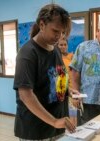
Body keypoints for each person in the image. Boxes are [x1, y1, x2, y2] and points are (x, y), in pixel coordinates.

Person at [13, 4, 76, 140]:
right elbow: (25, 95)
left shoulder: (55, 50)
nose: (59, 37)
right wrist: (53, 121)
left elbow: (57, 78)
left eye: (62, 33)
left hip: (57, 125)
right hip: (36, 130)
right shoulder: (28, 54)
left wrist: (68, 90)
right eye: (55, 31)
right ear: (42, 25)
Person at [57, 37, 81, 126]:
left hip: (72, 91)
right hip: (62, 93)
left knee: (73, 118)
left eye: (65, 44)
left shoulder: (72, 57)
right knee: (65, 118)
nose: (63, 47)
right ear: (57, 45)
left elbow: (77, 74)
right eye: (61, 45)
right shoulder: (56, 58)